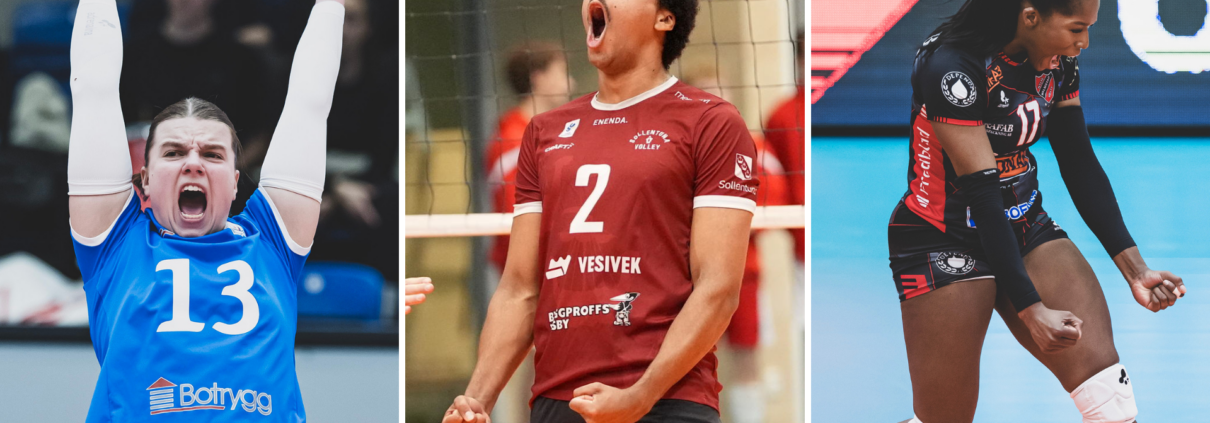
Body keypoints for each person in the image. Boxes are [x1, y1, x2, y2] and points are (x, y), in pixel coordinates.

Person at [443, 0, 758, 422]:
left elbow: (718, 288)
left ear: (664, 18)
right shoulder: (544, 131)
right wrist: (476, 401)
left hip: (665, 400)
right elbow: (519, 289)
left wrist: (640, 396)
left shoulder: (711, 121)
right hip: (558, 401)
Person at [887, 1, 1185, 422]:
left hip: (1026, 225)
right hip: (942, 238)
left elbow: (1078, 161)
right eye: (1076, 29)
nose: (1084, 43)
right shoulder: (951, 67)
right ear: (1030, 17)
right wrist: (1030, 308)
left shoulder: (1058, 61)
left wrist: (1136, 271)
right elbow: (982, 195)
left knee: (1112, 404)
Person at [67, 0, 344, 421]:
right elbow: (93, 89)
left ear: (234, 182)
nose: (193, 163)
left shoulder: (273, 239)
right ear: (144, 178)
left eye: (212, 154)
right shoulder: (114, 244)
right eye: (174, 152)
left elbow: (310, 101)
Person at [486, 41, 575, 274]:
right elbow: (516, 207)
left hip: (555, 256)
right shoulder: (512, 137)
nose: (570, 82)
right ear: (539, 78)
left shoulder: (556, 131)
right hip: (527, 262)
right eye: (561, 72)